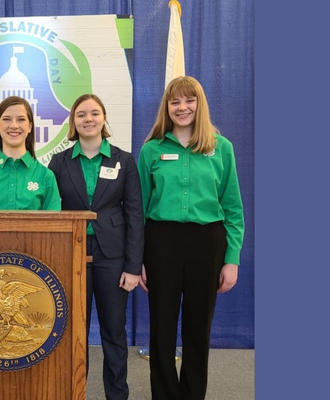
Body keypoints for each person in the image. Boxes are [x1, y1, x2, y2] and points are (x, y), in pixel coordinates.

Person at [137, 76, 245, 400]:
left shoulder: (221, 148)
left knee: (198, 329)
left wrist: (232, 259)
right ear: (166, 108)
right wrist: (138, 258)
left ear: (199, 104)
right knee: (162, 329)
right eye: (175, 102)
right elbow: (138, 210)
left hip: (207, 243)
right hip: (161, 244)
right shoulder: (151, 150)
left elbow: (233, 209)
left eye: (189, 100)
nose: (182, 107)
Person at [48, 94, 144, 400]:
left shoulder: (124, 160)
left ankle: (117, 395)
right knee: (72, 332)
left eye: (94, 113)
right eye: (80, 115)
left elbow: (134, 215)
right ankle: (73, 393)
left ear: (104, 118)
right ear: (73, 123)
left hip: (113, 257)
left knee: (114, 332)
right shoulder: (59, 162)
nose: (87, 119)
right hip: (71, 254)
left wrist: (132, 266)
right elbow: (51, 211)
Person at [0, 95, 61, 210]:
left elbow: (53, 225)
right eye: (6, 119)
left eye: (21, 119)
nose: (14, 126)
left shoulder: (45, 176)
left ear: (29, 126)